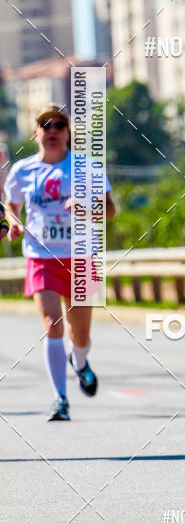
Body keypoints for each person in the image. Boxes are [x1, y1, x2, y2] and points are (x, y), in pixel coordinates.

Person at [1, 104, 115, 421]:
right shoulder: (23, 170)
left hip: (81, 258)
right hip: (42, 257)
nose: (51, 130)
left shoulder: (86, 167)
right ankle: (59, 398)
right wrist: (13, 222)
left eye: (58, 125)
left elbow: (109, 210)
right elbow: (12, 204)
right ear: (36, 132)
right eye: (44, 125)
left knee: (80, 336)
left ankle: (79, 361)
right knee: (52, 323)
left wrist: (85, 209)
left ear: (67, 133)